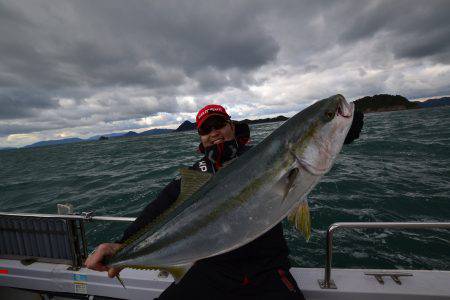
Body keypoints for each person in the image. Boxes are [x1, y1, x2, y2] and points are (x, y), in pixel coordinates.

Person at [85, 104, 364, 300]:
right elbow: (157, 211)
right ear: (201, 138)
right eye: (206, 129)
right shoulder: (193, 177)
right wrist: (120, 245)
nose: (214, 132)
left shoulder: (261, 157)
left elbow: (312, 143)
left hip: (266, 270)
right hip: (209, 271)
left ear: (231, 126)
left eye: (219, 124)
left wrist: (344, 127)